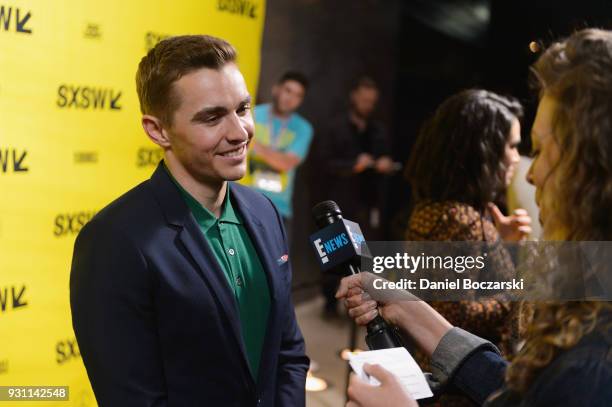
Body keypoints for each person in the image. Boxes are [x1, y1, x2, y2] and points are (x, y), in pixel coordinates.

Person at [338, 28, 612, 406]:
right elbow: (518, 389)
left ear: (592, 171)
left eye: (542, 149)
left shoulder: (594, 364)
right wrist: (407, 307)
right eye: (520, 147)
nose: (529, 171)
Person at [70, 35, 309, 406]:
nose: (239, 132)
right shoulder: (113, 241)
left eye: (242, 108)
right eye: (212, 117)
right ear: (158, 130)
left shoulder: (266, 213)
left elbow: (288, 351)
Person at [403, 89, 531, 406]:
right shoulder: (460, 219)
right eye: (512, 146)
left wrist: (499, 242)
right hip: (458, 388)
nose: (517, 157)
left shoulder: (445, 209)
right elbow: (455, 314)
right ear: (483, 149)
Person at [316, 76, 394, 315]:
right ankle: (330, 303)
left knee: (363, 258)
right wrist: (354, 165)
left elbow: (387, 160)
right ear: (354, 97)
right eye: (364, 99)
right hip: (339, 202)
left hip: (366, 204)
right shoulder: (335, 127)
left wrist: (384, 165)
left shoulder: (378, 130)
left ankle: (358, 305)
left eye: (372, 101)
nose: (367, 104)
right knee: (334, 256)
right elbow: (323, 163)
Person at [247, 71, 313, 238]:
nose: (290, 98)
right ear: (276, 89)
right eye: (287, 90)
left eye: (297, 95)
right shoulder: (251, 114)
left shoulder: (303, 128)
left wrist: (254, 144)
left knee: (277, 263)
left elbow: (286, 163)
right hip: (244, 202)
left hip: (279, 209)